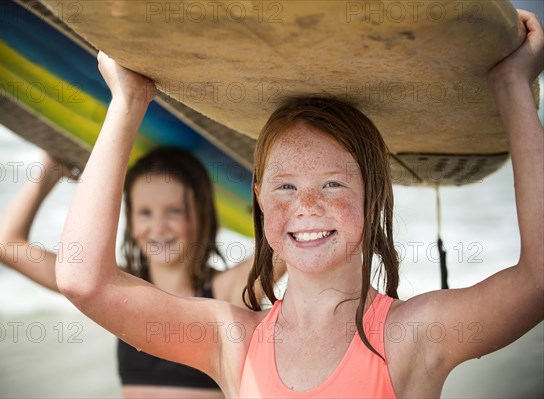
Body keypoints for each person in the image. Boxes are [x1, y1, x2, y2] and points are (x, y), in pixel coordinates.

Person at [54, 9, 543, 398]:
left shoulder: (411, 336)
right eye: (285, 187)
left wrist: (513, 86)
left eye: (332, 184)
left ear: (374, 197)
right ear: (261, 201)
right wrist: (128, 102)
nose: (306, 204)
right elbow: (83, 279)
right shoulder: (233, 340)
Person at [0, 146, 278, 398]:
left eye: (174, 211)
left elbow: (284, 245)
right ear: (130, 221)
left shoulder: (225, 291)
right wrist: (50, 169)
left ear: (201, 214)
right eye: (145, 212)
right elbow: (4, 244)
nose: (158, 226)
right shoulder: (114, 288)